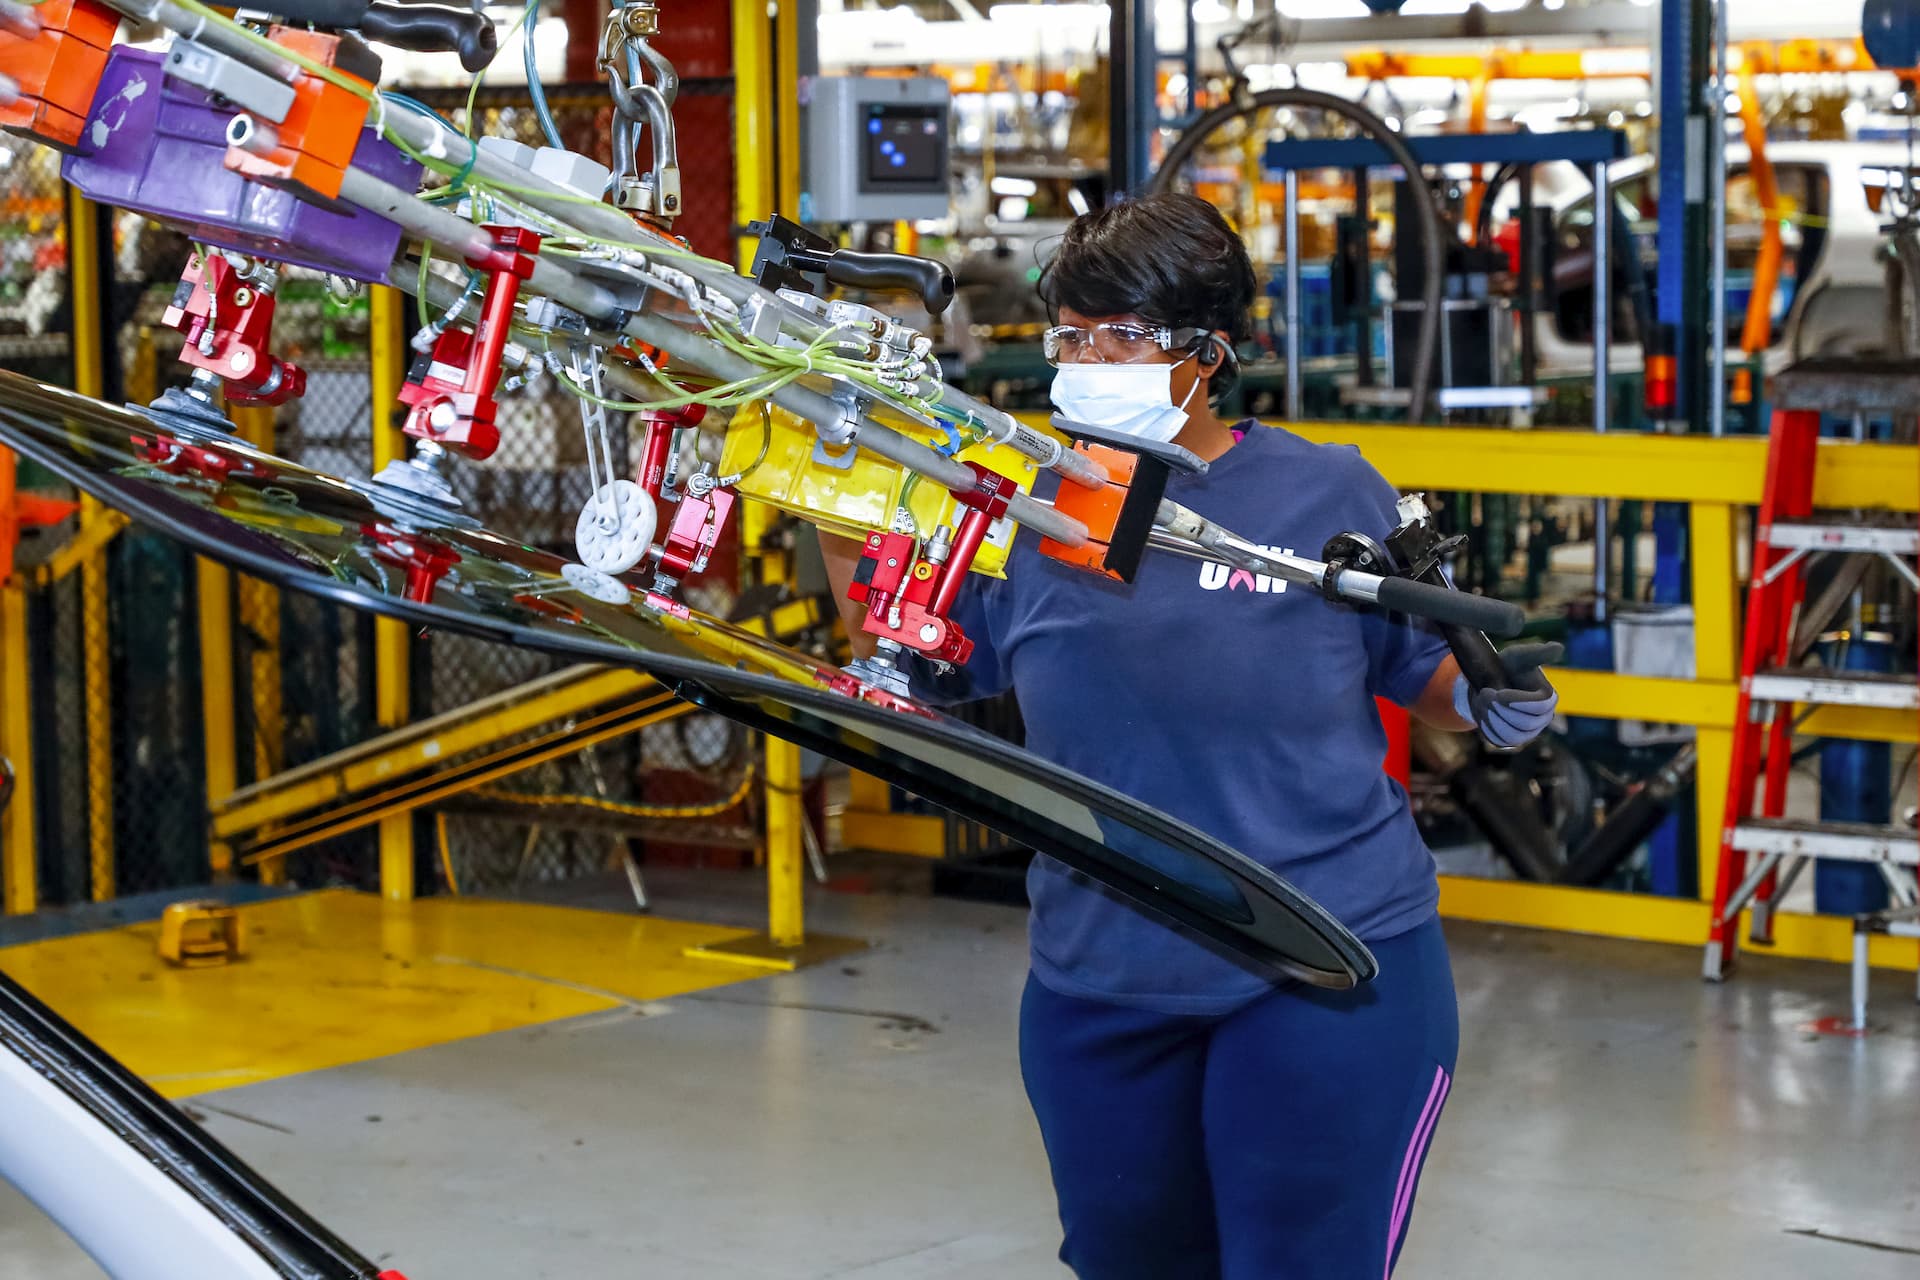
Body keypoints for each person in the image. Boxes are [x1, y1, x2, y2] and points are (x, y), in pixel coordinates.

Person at [820, 193, 1560, 1279]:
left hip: (1325, 961)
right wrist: (830, 469)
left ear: (1207, 353)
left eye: (1120, 336)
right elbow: (904, 635)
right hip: (1100, 976)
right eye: (1071, 333)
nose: (1085, 358)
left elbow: (1429, 672)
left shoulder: (1325, 492)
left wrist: (1498, 684)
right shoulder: (1027, 503)